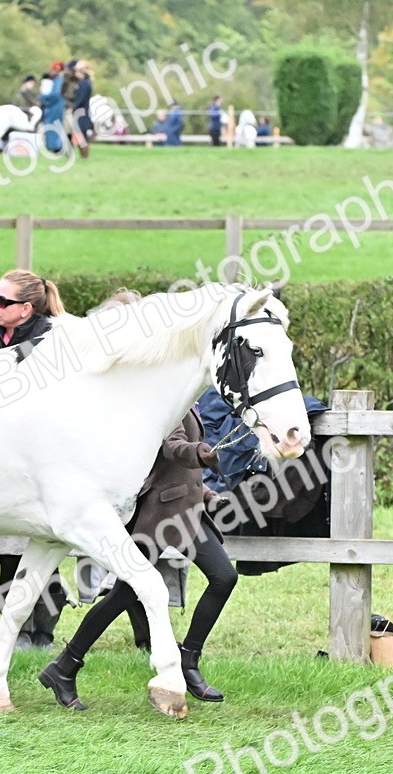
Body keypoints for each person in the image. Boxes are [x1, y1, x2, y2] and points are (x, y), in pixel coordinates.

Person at [40, 292, 237, 709]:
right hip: (159, 509)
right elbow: (170, 444)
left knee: (190, 583)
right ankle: (180, 664)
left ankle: (69, 665)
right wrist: (199, 455)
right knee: (133, 591)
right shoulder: (139, 389)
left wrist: (202, 486)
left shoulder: (163, 377)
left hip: (184, 503)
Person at [0, 270, 68, 648]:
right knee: (11, 544)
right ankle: (19, 627)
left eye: (3, 301)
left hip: (40, 450)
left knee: (44, 537)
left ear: (25, 309)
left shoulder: (53, 337)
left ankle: (44, 628)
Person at [40, 63, 66, 153]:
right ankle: (54, 146)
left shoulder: (59, 80)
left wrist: (43, 97)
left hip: (54, 107)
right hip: (55, 106)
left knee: (53, 126)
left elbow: (56, 94)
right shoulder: (57, 80)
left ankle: (55, 147)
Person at [72, 60, 94, 158]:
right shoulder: (84, 82)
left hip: (82, 113)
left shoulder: (85, 83)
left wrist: (72, 108)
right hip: (81, 112)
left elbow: (81, 99)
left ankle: (84, 155)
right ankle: (83, 155)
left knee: (81, 135)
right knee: (80, 134)